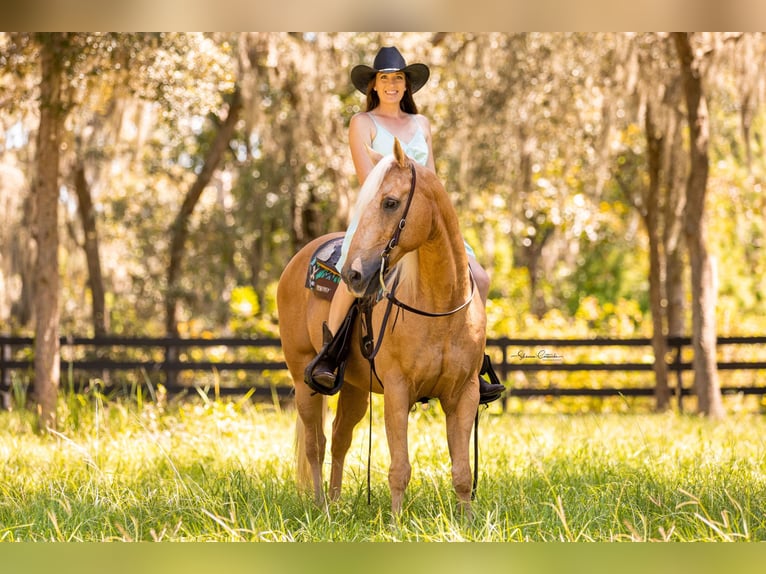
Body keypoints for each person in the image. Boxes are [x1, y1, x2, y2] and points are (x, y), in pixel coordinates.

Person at [304, 46, 504, 404]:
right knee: (352, 278)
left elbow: (435, 180)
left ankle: (474, 360)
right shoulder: (362, 124)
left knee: (481, 277)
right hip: (380, 218)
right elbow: (371, 184)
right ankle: (330, 354)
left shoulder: (422, 124)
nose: (392, 85)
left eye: (398, 78)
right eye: (385, 78)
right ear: (374, 85)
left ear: (407, 85)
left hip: (425, 222)